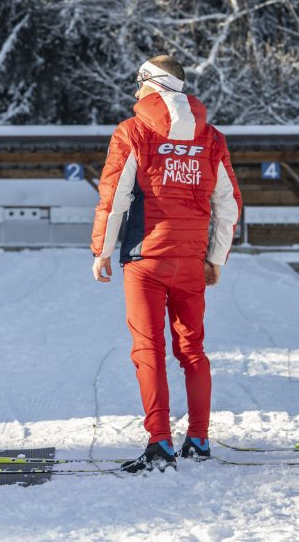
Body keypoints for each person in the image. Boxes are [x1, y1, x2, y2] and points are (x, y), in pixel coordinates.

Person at [90, 55, 242, 473]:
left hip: (145, 260)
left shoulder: (132, 131)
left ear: (150, 84)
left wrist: (101, 249)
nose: (135, 92)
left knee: (148, 350)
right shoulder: (211, 138)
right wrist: (215, 258)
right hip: (191, 261)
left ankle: (160, 443)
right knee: (193, 350)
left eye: (138, 84)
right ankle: (199, 437)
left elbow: (115, 195)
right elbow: (228, 203)